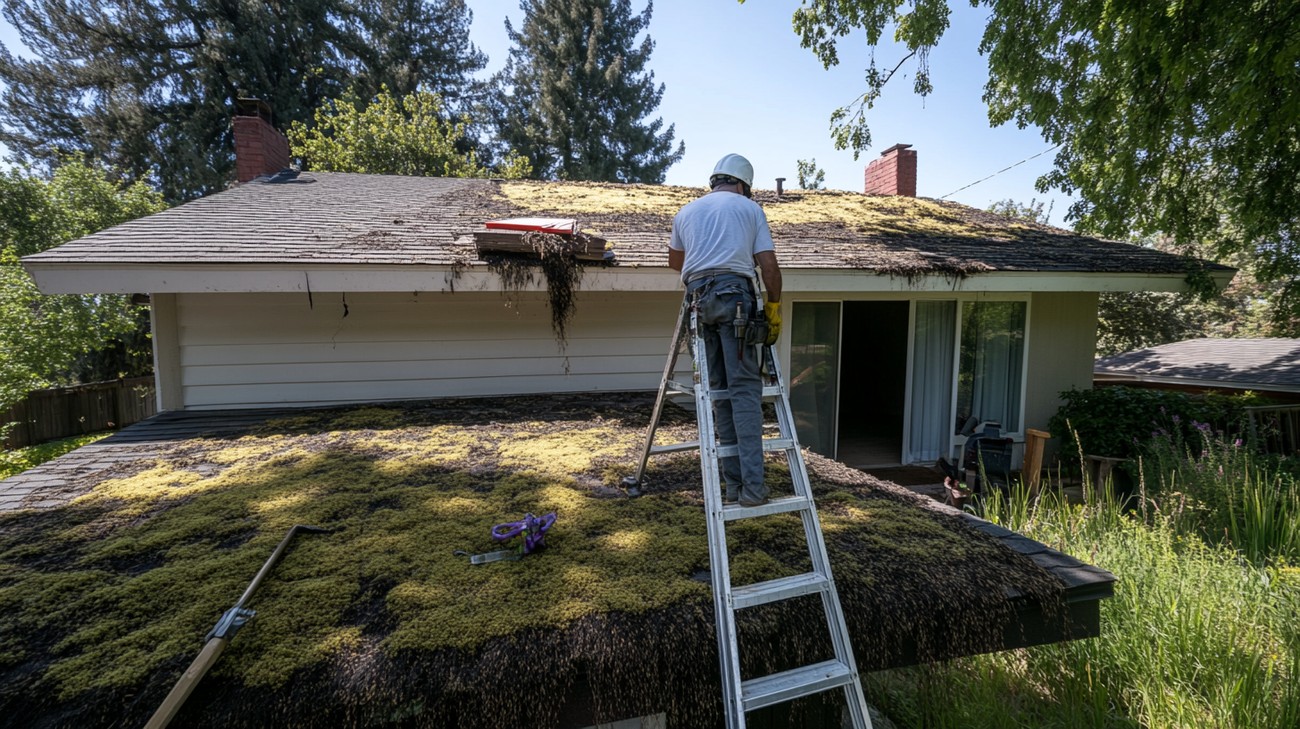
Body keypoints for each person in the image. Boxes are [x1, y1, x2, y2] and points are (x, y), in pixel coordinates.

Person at [667, 154, 783, 507]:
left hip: (698, 304)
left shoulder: (686, 212)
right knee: (744, 393)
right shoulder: (750, 210)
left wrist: (705, 256)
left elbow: (676, 262)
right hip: (735, 301)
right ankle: (752, 489)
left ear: (715, 180)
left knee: (718, 392)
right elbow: (769, 267)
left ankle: (734, 486)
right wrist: (774, 308)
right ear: (744, 185)